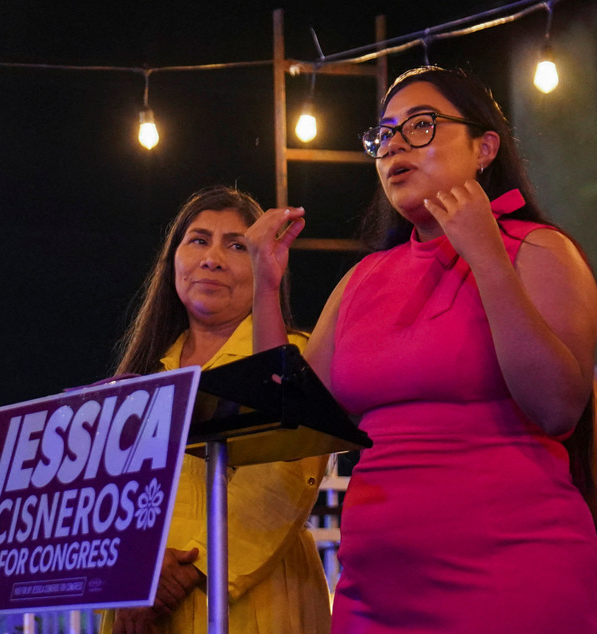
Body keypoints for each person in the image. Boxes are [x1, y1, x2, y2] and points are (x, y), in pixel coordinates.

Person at [246, 66, 597, 633]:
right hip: (374, 595)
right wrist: (265, 285)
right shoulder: (365, 277)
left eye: (421, 125)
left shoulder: (539, 250)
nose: (395, 146)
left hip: (513, 577)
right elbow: (291, 423)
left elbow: (558, 406)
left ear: (485, 148)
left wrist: (484, 251)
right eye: (384, 135)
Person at [99, 185, 332, 634]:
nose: (212, 258)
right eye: (199, 240)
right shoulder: (142, 376)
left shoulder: (292, 358)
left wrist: (185, 571)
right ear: (173, 261)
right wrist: (130, 571)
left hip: (250, 593)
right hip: (138, 601)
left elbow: (284, 479)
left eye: (237, 245)